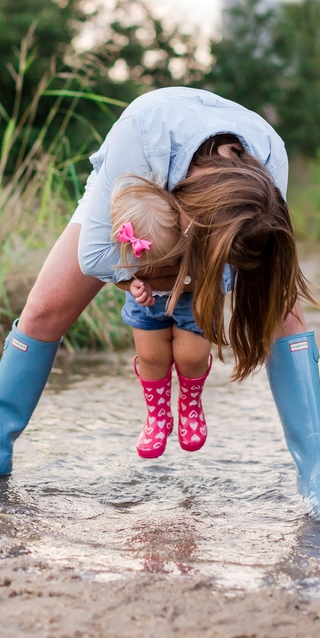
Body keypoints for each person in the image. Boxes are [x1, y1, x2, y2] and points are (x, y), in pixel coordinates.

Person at [0, 87, 320, 526]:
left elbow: (257, 256)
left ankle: (317, 479)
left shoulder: (270, 158)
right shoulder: (140, 135)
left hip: (223, 214)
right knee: (44, 308)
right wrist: (155, 276)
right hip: (133, 193)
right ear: (189, 210)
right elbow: (96, 256)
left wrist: (213, 277)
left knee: (285, 317)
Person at [109, 176, 213, 458]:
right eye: (151, 263)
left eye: (168, 260)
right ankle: (158, 416)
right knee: (151, 358)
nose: (162, 268)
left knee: (192, 356)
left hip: (192, 300)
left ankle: (190, 406)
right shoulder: (123, 244)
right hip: (146, 307)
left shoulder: (192, 232)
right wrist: (130, 284)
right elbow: (112, 269)